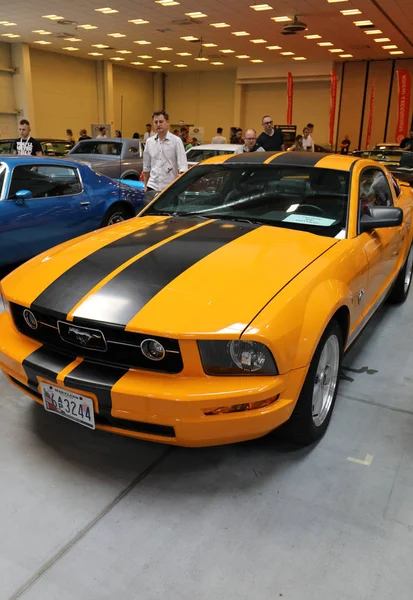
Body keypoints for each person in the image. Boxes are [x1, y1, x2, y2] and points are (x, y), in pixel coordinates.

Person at [143, 109, 188, 195]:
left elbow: (183, 166)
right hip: (152, 187)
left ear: (167, 122)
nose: (158, 124)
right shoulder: (149, 142)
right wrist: (146, 185)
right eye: (156, 122)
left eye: (161, 121)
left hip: (169, 188)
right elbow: (146, 166)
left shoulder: (176, 141)